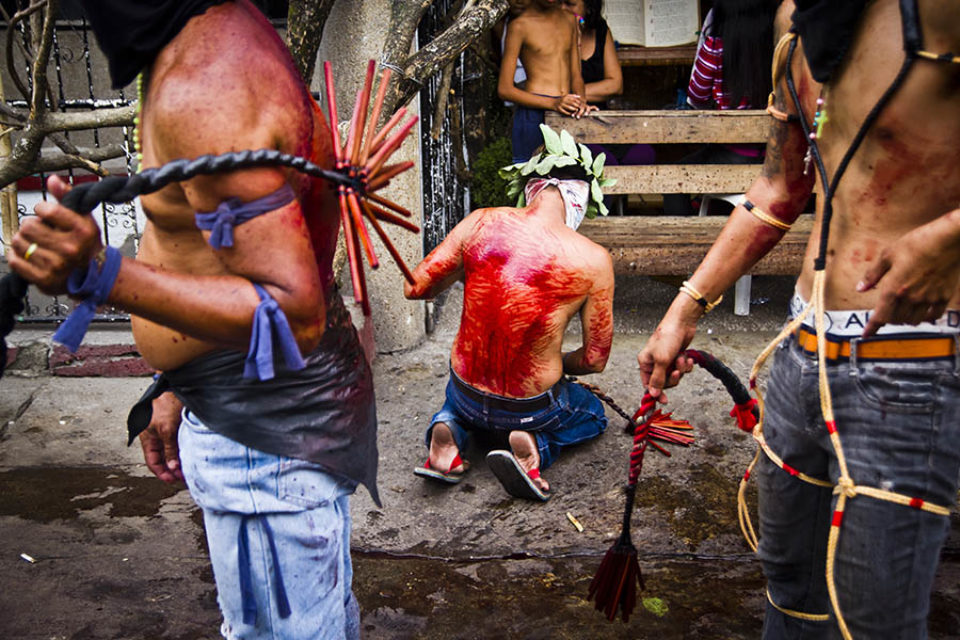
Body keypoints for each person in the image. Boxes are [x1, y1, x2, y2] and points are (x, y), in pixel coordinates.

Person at [8, 2, 378, 638]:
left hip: (266, 447)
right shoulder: (209, 42)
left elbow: (292, 312)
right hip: (249, 419)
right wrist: (178, 385)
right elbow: (223, 259)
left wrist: (103, 271)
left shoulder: (211, 83)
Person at [638, 0, 960, 637]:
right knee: (787, 580)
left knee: (876, 620)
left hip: (911, 364)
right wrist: (683, 308)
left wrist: (948, 239)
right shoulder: (800, 27)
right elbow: (779, 188)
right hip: (800, 348)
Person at [405, 125, 614, 501]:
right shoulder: (593, 260)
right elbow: (595, 359)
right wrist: (554, 363)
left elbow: (416, 286)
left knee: (461, 400)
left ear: (529, 186)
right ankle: (535, 447)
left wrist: (469, 269)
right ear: (583, 197)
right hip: (529, 405)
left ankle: (448, 434)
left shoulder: (480, 221)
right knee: (594, 415)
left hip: (466, 388)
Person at [663, 0, 781, 216]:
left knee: (672, 178)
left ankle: (683, 241)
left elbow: (696, 97)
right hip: (776, 155)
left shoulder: (715, 47)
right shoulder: (780, 45)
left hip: (731, 154)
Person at [499, 0, 592, 163]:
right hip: (533, 115)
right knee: (531, 180)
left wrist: (581, 101)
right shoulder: (519, 25)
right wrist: (553, 103)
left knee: (570, 180)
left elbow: (576, 75)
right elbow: (505, 89)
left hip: (567, 112)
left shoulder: (570, 20)